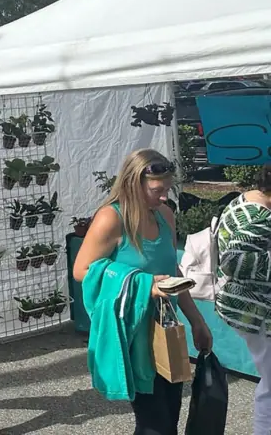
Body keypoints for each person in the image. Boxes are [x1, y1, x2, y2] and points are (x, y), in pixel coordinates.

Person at [73, 149, 212, 435]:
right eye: (157, 190)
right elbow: (82, 270)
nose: (164, 196)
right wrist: (142, 283)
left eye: (167, 189)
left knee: (169, 417)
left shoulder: (165, 215)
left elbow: (173, 271)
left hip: (167, 329)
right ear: (133, 184)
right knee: (155, 425)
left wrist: (197, 321)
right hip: (132, 332)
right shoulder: (111, 218)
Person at [215, 162, 271, 435]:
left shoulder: (251, 199)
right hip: (257, 311)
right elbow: (233, 261)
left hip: (251, 308)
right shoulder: (257, 216)